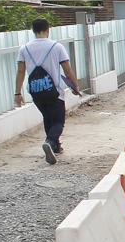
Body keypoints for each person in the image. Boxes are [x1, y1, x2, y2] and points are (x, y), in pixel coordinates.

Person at [14, 19, 81, 165]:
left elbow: (20, 71)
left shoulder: (24, 49)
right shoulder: (56, 47)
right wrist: (75, 85)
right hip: (54, 91)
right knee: (58, 122)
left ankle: (55, 147)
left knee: (47, 118)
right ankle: (50, 142)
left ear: (33, 30)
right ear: (48, 30)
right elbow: (67, 69)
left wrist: (17, 94)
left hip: (36, 91)